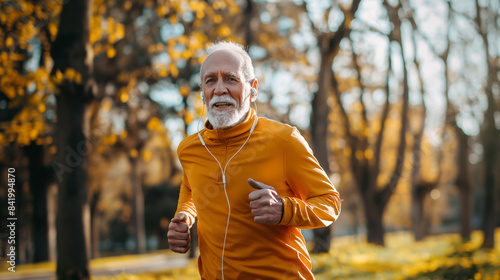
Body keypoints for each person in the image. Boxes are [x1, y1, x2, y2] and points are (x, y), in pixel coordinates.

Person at [167, 41, 341, 280]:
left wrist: (284, 210)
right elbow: (190, 188)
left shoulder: (284, 141)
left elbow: (330, 203)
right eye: (211, 80)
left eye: (230, 79)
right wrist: (184, 217)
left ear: (253, 88)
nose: (219, 89)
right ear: (202, 92)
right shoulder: (189, 149)